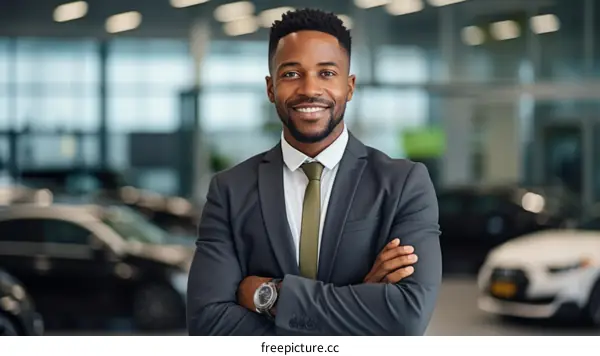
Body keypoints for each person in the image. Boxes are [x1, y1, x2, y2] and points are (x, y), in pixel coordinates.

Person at [186, 8, 442, 336]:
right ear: (270, 87)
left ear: (349, 87)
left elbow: (407, 317)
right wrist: (360, 300)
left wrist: (267, 295)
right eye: (292, 74)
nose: (309, 89)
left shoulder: (404, 185)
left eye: (326, 73)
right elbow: (208, 324)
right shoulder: (230, 190)